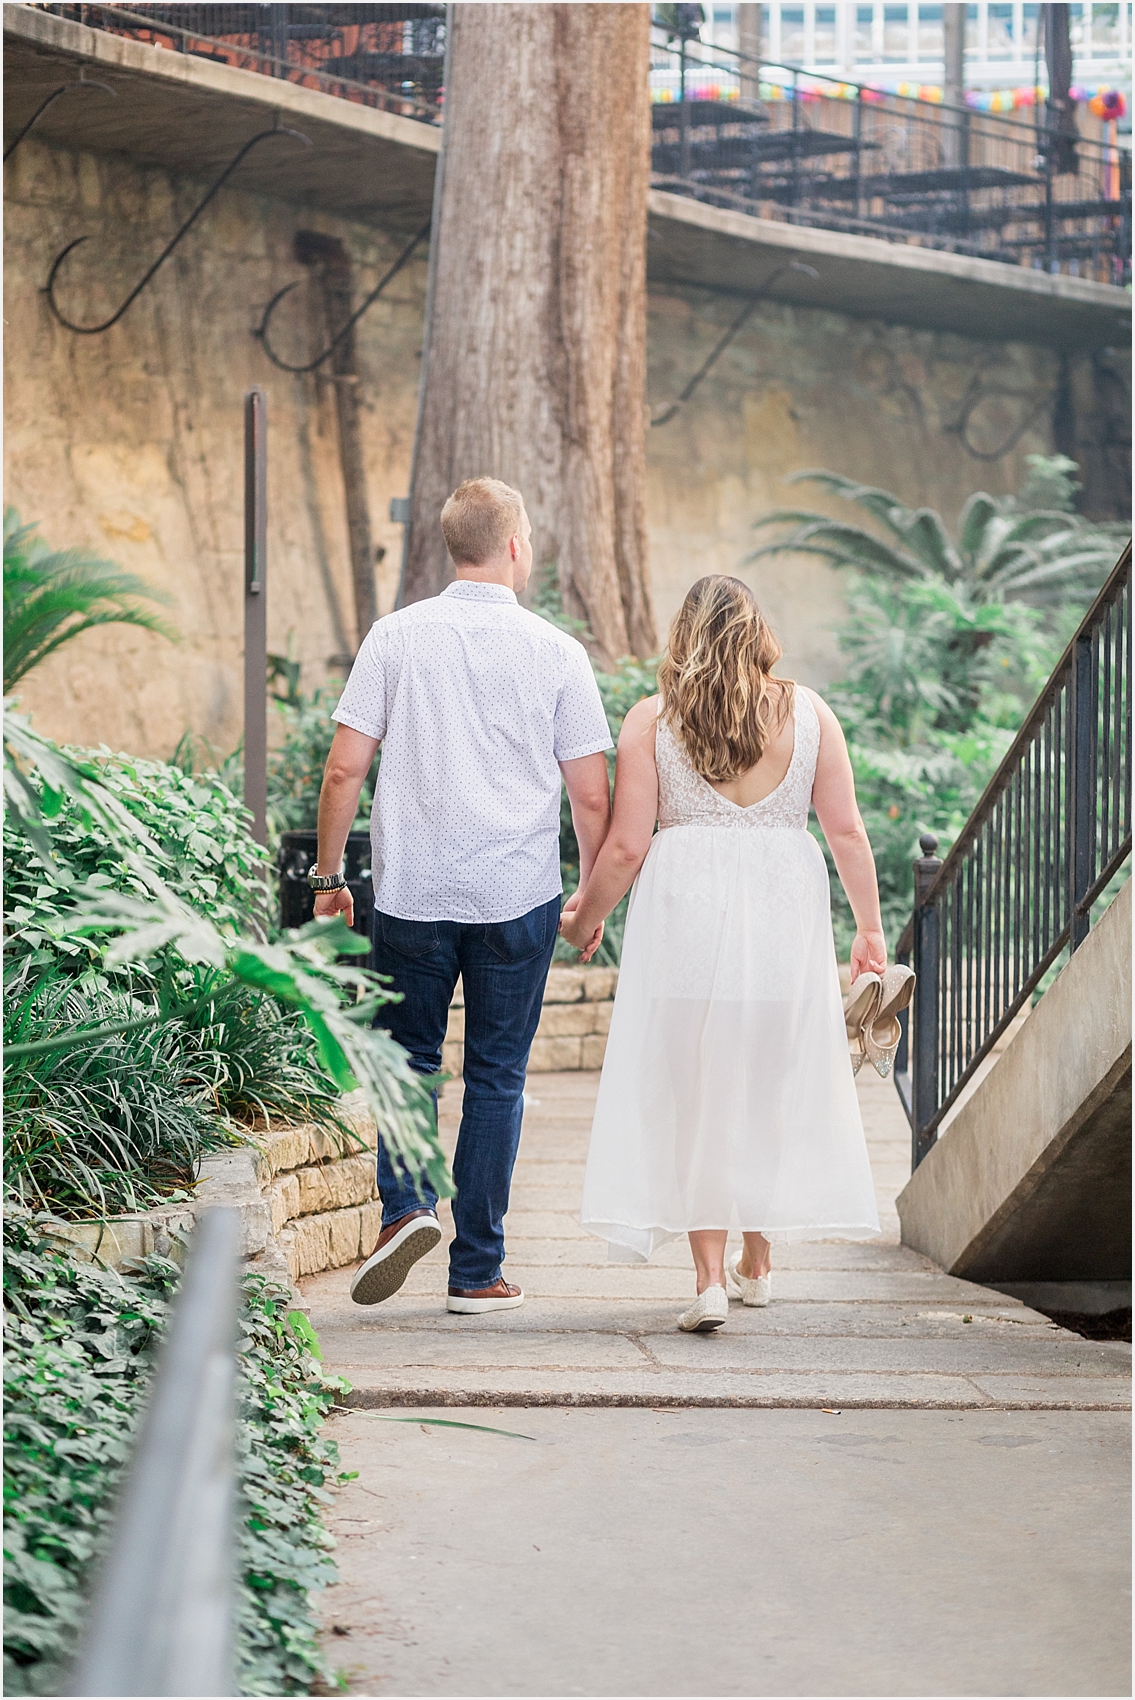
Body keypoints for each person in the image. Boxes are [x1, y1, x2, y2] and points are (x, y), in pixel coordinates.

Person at [313, 477, 612, 1314]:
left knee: (408, 1060)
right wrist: (590, 896)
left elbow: (344, 767)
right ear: (515, 546)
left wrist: (331, 878)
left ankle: (405, 1208)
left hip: (411, 890)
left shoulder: (395, 637)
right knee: (495, 1076)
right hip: (515, 895)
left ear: (453, 547)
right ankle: (477, 1270)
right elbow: (591, 795)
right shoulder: (555, 652)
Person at [560, 574, 888, 1333]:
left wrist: (584, 921)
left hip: (683, 929)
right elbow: (845, 832)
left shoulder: (652, 721)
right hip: (782, 925)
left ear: (685, 636)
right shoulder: (809, 714)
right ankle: (757, 1264)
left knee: (694, 1095)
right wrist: (867, 929)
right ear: (758, 633)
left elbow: (626, 847)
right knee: (767, 1093)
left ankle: (707, 1281)